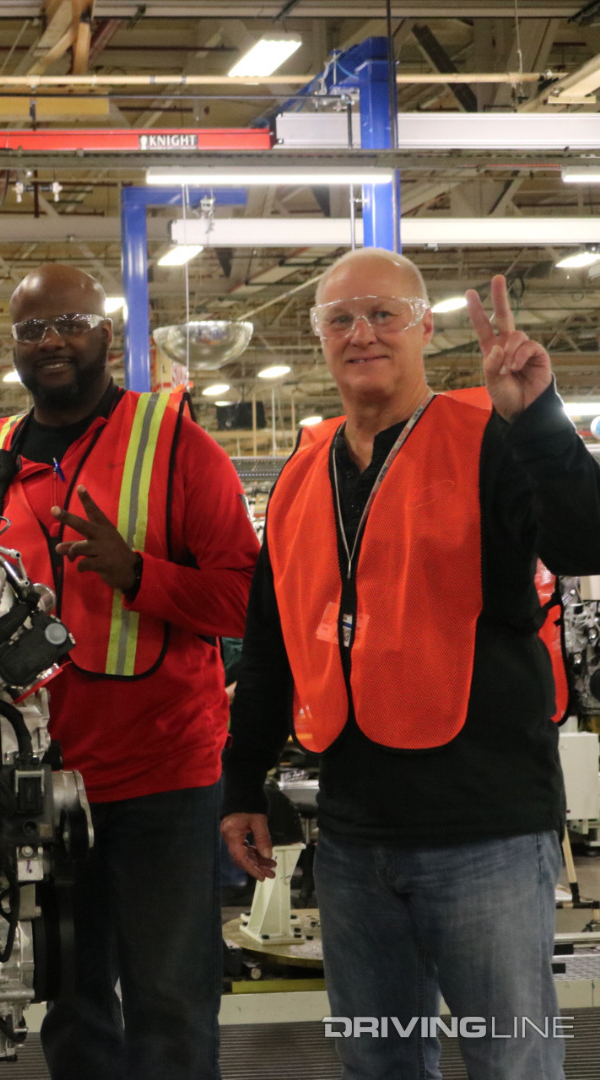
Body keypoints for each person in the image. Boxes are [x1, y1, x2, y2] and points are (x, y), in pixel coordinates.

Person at [222, 250, 600, 1080]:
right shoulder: (299, 477)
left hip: (487, 831)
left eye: (384, 314)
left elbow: (584, 541)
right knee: (380, 1060)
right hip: (355, 834)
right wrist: (243, 784)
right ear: (320, 337)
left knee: (509, 1061)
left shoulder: (492, 440)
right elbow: (275, 640)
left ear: (426, 327)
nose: (362, 334)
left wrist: (538, 418)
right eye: (340, 319)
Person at [0, 264, 258, 1080]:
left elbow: (245, 601)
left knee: (169, 993)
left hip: (163, 775)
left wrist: (140, 576)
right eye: (31, 330)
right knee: (73, 998)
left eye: (70, 323)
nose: (51, 341)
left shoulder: (175, 445)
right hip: (41, 784)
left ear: (105, 333)